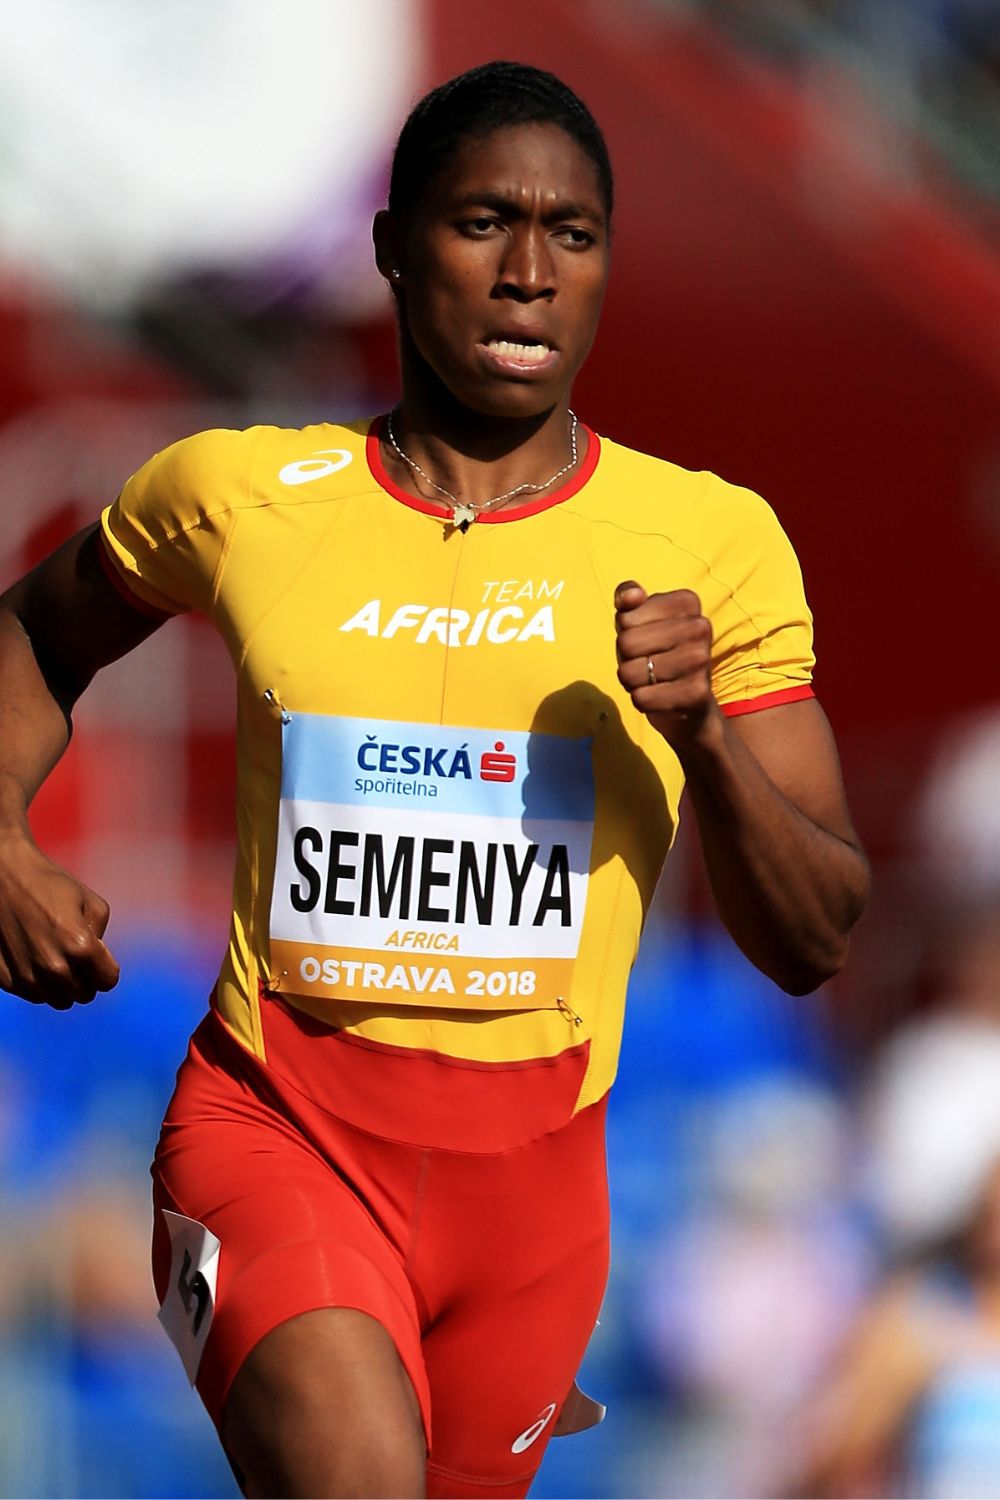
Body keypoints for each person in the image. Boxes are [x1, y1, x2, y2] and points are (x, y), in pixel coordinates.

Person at [0, 60, 870, 1500]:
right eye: (484, 223)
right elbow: (31, 635)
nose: (529, 273)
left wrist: (706, 732)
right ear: (394, 245)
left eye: (572, 234)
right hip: (276, 1129)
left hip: (535, 1205)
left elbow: (817, 933)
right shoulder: (241, 495)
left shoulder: (713, 542)